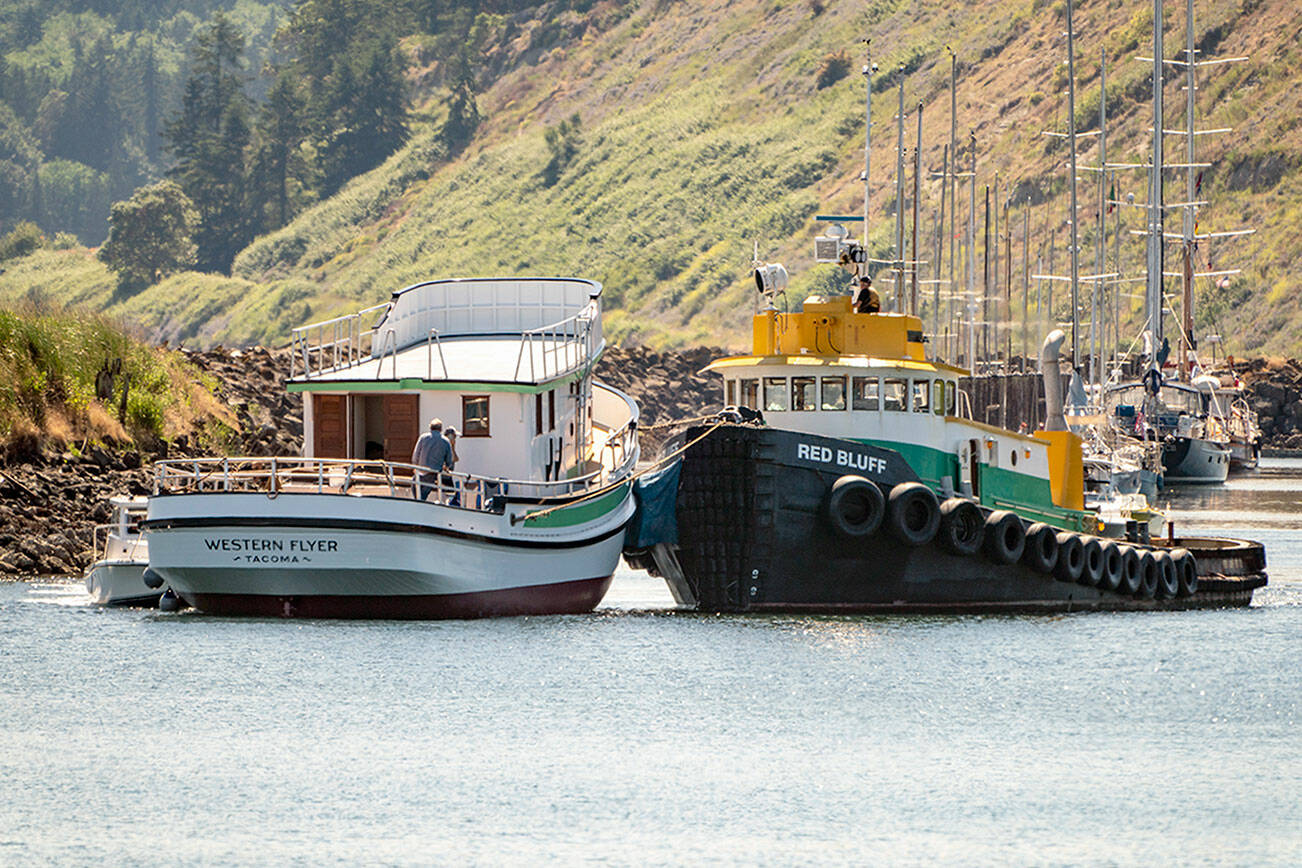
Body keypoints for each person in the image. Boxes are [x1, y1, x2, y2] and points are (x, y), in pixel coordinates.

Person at [411, 418, 453, 501]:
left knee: (416, 492)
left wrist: (415, 466)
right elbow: (449, 460)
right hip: (433, 472)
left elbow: (416, 455)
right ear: (440, 429)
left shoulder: (423, 437)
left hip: (420, 470)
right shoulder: (445, 441)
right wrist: (447, 466)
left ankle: (418, 507)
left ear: (430, 427)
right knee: (423, 496)